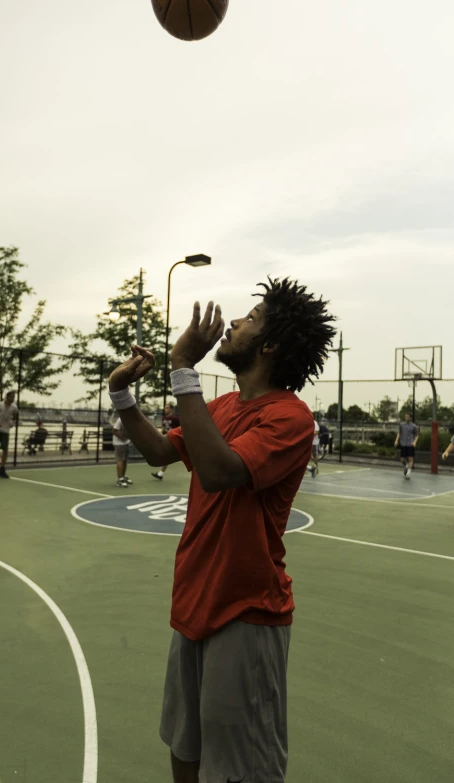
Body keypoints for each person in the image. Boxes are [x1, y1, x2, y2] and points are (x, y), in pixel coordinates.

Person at [108, 277, 336, 783]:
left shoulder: (289, 418)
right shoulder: (222, 408)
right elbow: (161, 453)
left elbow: (218, 471)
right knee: (185, 748)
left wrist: (182, 368)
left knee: (239, 770)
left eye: (251, 319)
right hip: (193, 602)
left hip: (247, 613)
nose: (234, 323)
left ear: (270, 345)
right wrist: (120, 391)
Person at [151, 402, 180, 480]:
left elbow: (180, 428)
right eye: (165, 407)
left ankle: (196, 473)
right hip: (167, 439)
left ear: (171, 409)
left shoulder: (175, 418)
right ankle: (160, 474)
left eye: (167, 408)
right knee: (167, 456)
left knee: (186, 456)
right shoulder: (164, 418)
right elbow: (163, 428)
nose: (165, 409)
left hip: (175, 440)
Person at [394, 411, 419, 479]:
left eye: (408, 417)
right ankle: (406, 466)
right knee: (402, 460)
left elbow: (416, 436)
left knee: (410, 459)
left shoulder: (414, 426)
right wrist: (396, 440)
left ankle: (409, 472)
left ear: (410, 418)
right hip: (403, 444)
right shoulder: (401, 425)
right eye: (405, 417)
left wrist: (414, 442)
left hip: (410, 444)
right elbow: (399, 433)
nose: (406, 418)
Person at [112, 415, 132, 487]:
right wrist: (123, 438)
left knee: (125, 461)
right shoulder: (120, 419)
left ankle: (123, 477)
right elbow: (114, 430)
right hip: (119, 443)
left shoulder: (131, 420)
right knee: (120, 460)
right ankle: (120, 479)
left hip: (126, 442)